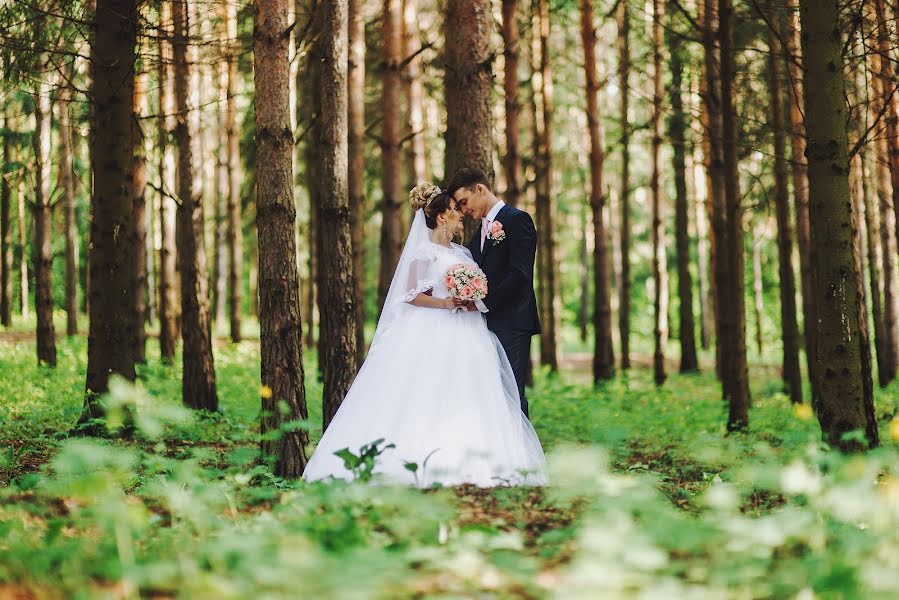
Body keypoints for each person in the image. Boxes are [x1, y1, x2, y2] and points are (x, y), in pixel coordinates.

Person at [302, 183, 547, 487]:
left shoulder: (464, 251)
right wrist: (446, 302)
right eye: (456, 210)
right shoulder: (423, 252)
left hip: (470, 330)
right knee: (429, 389)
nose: (462, 215)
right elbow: (410, 294)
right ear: (442, 215)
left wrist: (471, 297)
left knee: (472, 392)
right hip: (435, 327)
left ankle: (476, 462)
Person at [446, 168, 540, 417]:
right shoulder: (480, 233)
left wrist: (480, 303)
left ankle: (521, 453)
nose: (463, 210)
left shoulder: (518, 220)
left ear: (480, 188)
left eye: (463, 202)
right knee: (489, 393)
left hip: (512, 322)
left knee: (511, 393)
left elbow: (519, 274)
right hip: (483, 325)